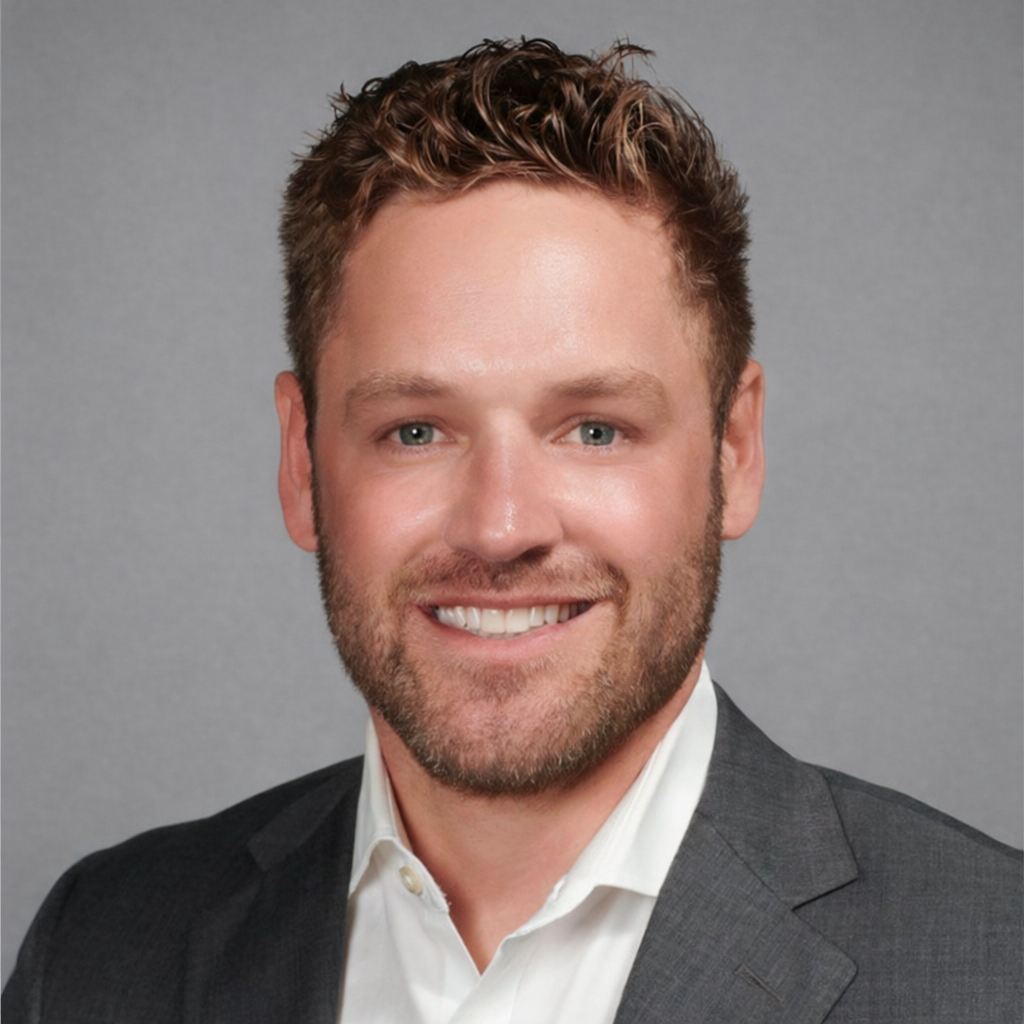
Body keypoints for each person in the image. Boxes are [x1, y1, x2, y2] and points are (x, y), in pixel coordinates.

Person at [4, 38, 1020, 1024]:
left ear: (733, 451)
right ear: (302, 463)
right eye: (414, 429)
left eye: (593, 428)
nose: (499, 526)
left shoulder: (994, 965)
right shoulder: (99, 949)